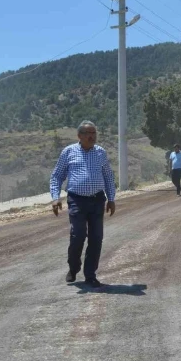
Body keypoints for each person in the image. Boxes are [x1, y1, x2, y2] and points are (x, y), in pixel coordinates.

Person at [50, 120, 116, 288]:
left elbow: (108, 176)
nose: (91, 136)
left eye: (94, 133)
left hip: (97, 200)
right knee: (77, 235)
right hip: (76, 200)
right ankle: (73, 268)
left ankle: (90, 275)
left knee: (96, 238)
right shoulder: (69, 152)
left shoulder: (100, 153)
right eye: (88, 133)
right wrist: (55, 197)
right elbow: (57, 176)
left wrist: (112, 198)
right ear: (79, 136)